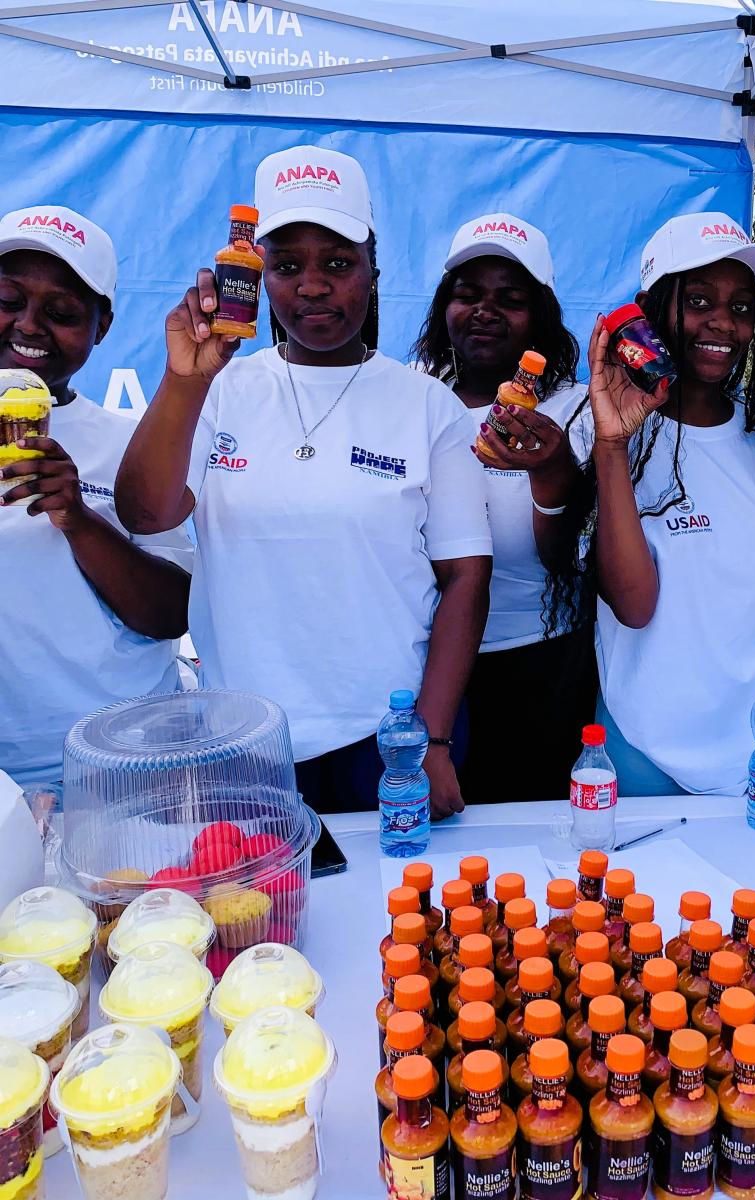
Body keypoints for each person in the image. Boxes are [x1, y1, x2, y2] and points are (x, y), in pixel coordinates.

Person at [116, 147, 491, 817]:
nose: (313, 287)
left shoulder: (427, 405)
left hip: (386, 738)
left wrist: (429, 739)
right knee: (256, 924)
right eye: (287, 266)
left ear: (374, 270)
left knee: (396, 918)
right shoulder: (219, 390)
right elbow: (145, 513)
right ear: (259, 277)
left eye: (338, 264)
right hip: (243, 742)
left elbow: (465, 576)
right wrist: (186, 379)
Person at [566, 212, 755, 795]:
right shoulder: (595, 432)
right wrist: (613, 443)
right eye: (698, 300)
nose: (724, 322)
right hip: (643, 747)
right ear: (650, 310)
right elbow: (634, 604)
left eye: (743, 307)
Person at [0, 205, 192, 785]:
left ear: (101, 328)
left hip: (126, 768)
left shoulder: (131, 443)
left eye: (60, 312)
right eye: (9, 301)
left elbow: (172, 613)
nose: (30, 326)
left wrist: (78, 518)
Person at [411, 213, 596, 801]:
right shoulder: (410, 396)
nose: (485, 311)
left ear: (540, 316)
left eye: (510, 299)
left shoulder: (576, 410)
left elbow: (571, 561)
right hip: (418, 668)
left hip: (538, 670)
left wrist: (550, 470)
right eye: (467, 294)